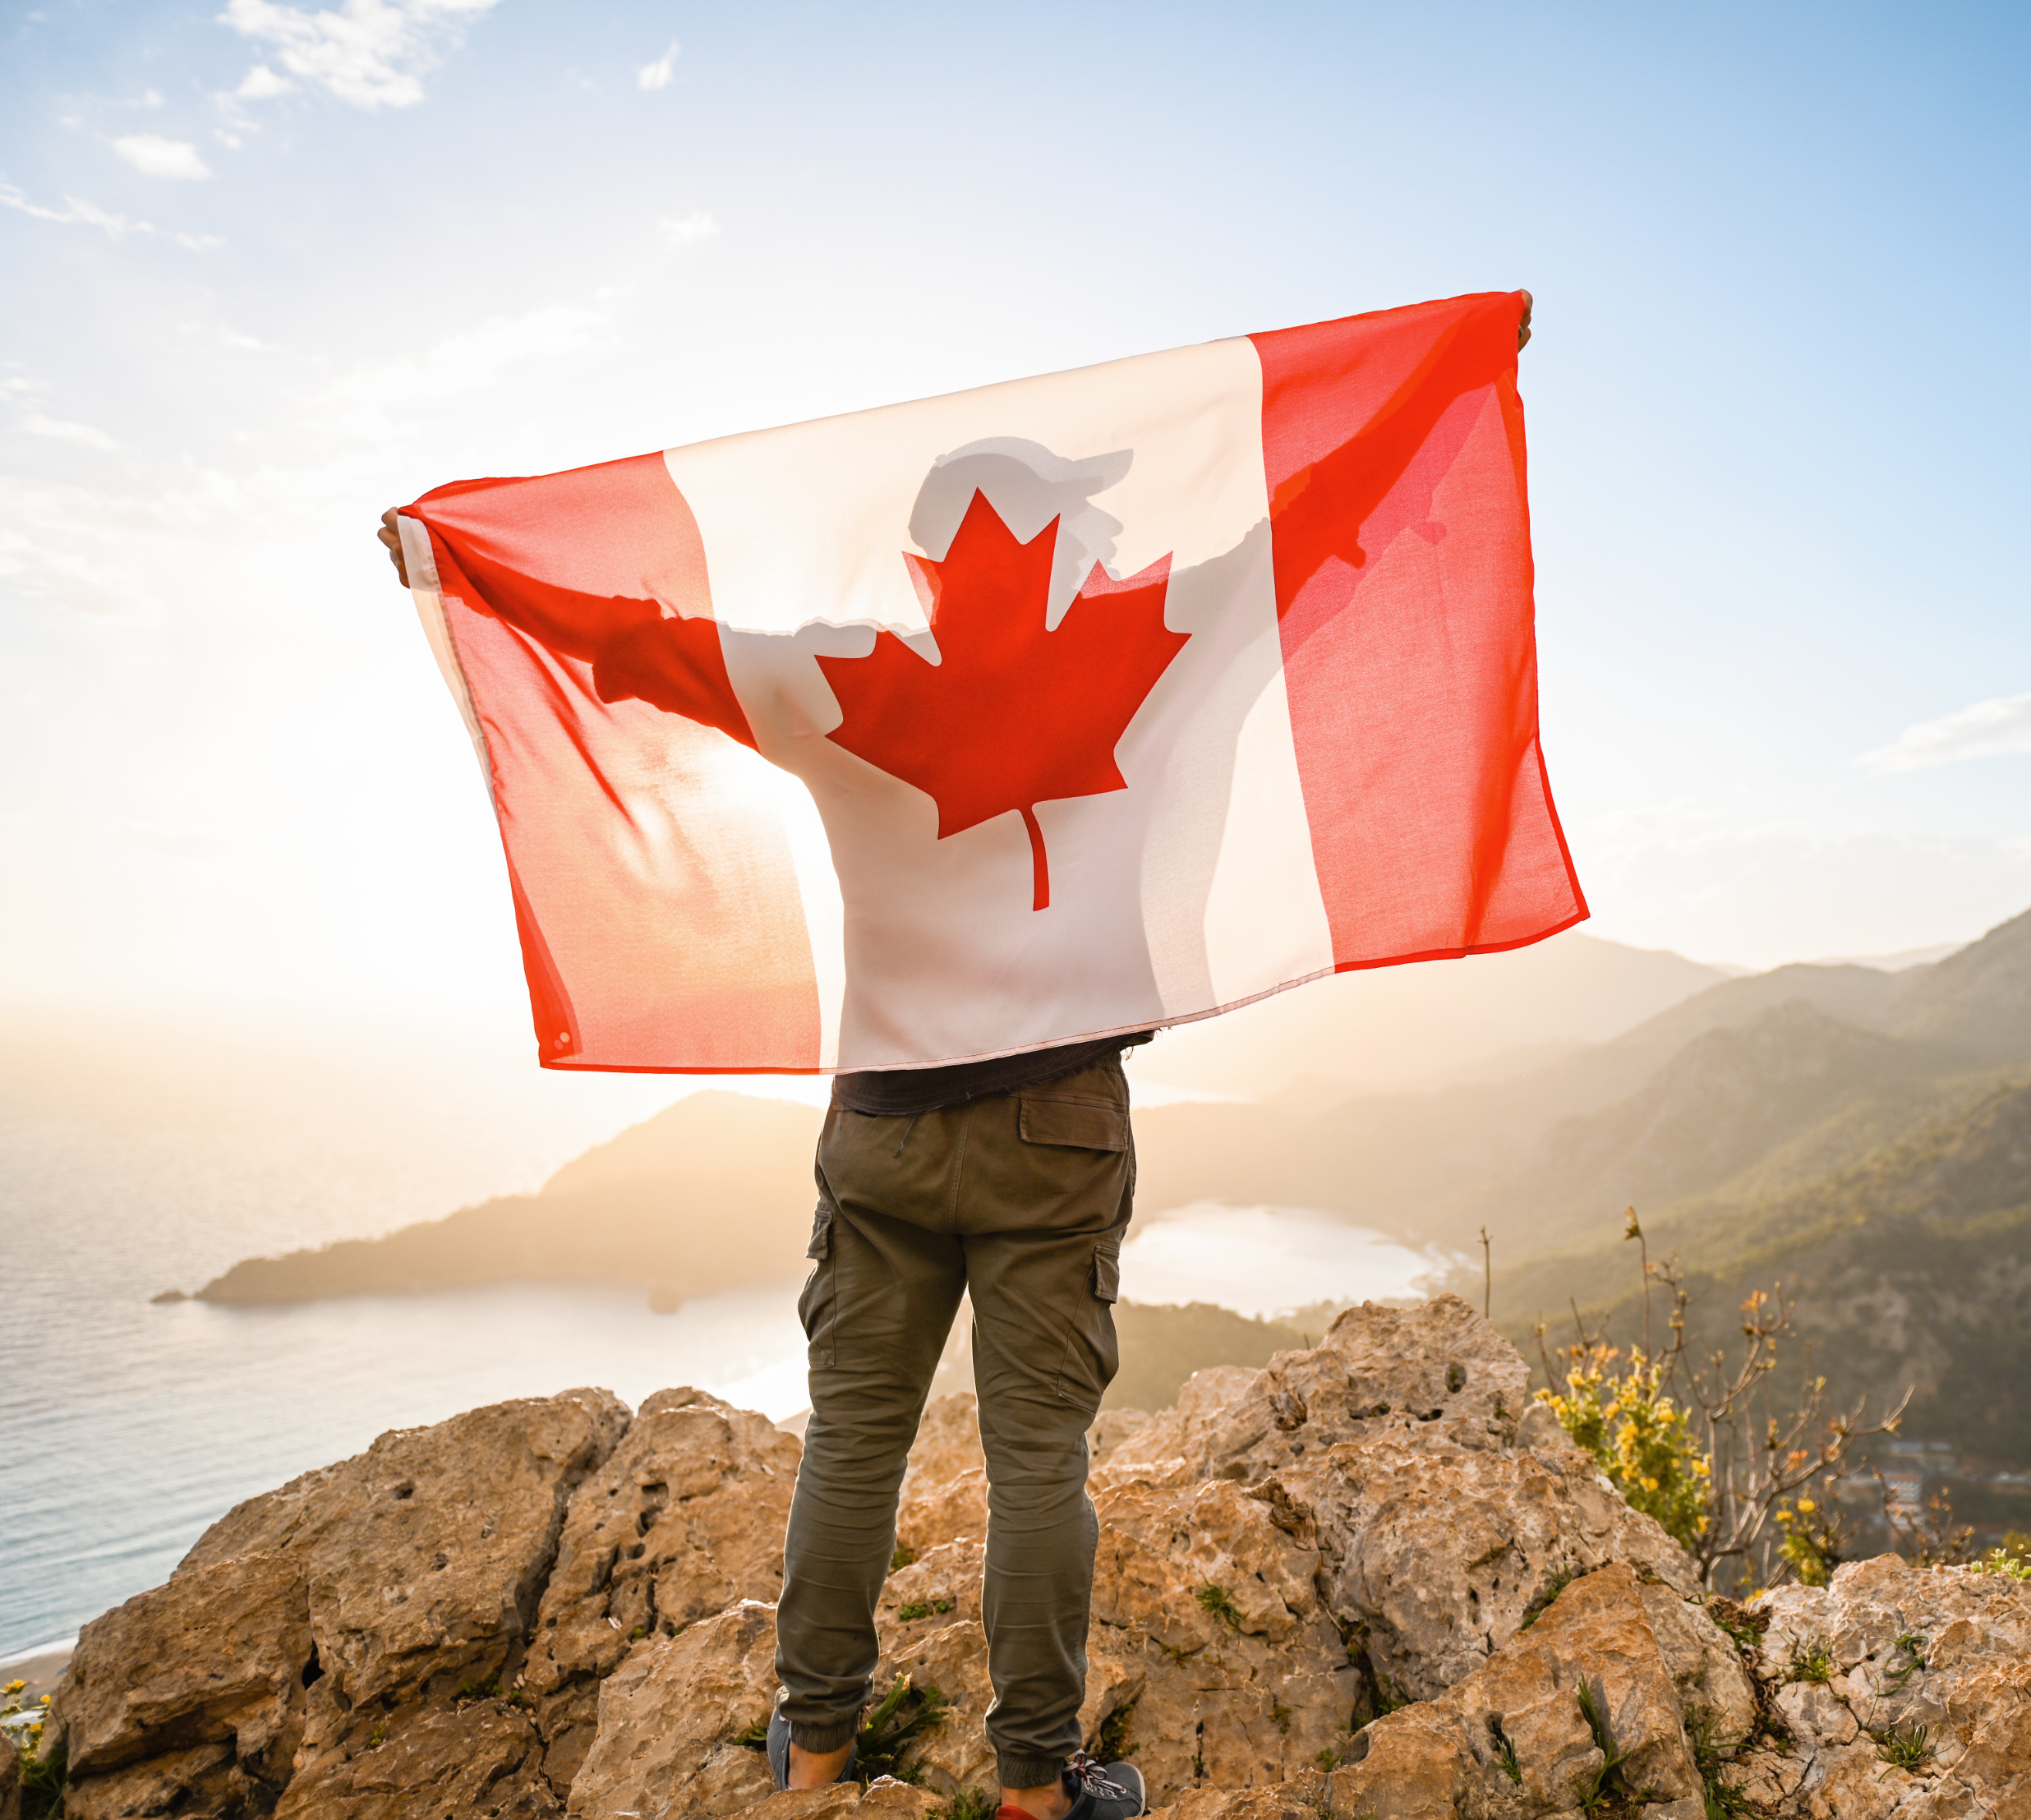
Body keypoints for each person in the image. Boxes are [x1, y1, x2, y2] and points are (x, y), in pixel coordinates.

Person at [372, 288, 1530, 1820]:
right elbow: (1314, 516)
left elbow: (634, 643)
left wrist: (458, 562)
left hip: (885, 1126)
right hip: (1059, 1121)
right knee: (1038, 1459)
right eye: (1081, 522)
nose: (1105, 545)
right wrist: (1450, 374)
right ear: (1044, 526)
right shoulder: (1154, 631)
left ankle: (824, 1751)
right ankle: (1038, 1788)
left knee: (854, 1442)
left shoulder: (828, 669)